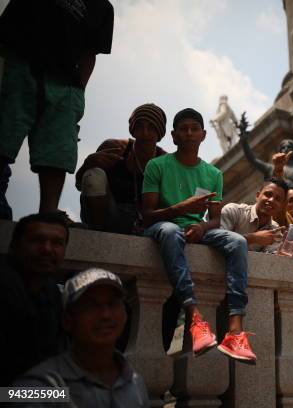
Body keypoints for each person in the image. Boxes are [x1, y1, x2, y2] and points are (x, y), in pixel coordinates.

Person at [142, 108, 256, 364]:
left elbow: (215, 218)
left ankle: (235, 329)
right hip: (164, 226)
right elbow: (147, 214)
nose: (190, 133)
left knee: (236, 240)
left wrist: (202, 228)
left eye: (195, 128)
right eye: (184, 129)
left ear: (204, 135)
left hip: (196, 229)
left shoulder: (213, 174)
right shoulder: (157, 165)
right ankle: (195, 318)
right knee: (171, 231)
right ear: (173, 136)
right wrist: (182, 209)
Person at [0, 0, 114, 217]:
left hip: (66, 83)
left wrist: (78, 93)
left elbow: (91, 54)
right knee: (5, 132)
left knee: (57, 153)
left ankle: (48, 213)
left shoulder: (102, 7)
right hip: (20, 63)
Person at [15, 268, 150, 407]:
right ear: (67, 320)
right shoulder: (45, 386)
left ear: (125, 315)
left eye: (113, 304)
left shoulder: (135, 383)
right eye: (91, 306)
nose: (105, 315)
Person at [0, 212, 69, 386]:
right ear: (14, 246)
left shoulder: (51, 291)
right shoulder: (5, 285)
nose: (47, 249)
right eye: (37, 240)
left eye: (57, 243)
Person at [75, 103, 167, 234]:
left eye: (151, 127)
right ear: (133, 129)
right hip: (107, 216)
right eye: (140, 126)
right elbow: (80, 184)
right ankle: (95, 232)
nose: (145, 133)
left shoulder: (165, 162)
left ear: (159, 132)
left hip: (145, 223)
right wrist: (87, 164)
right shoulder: (114, 148)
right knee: (93, 175)